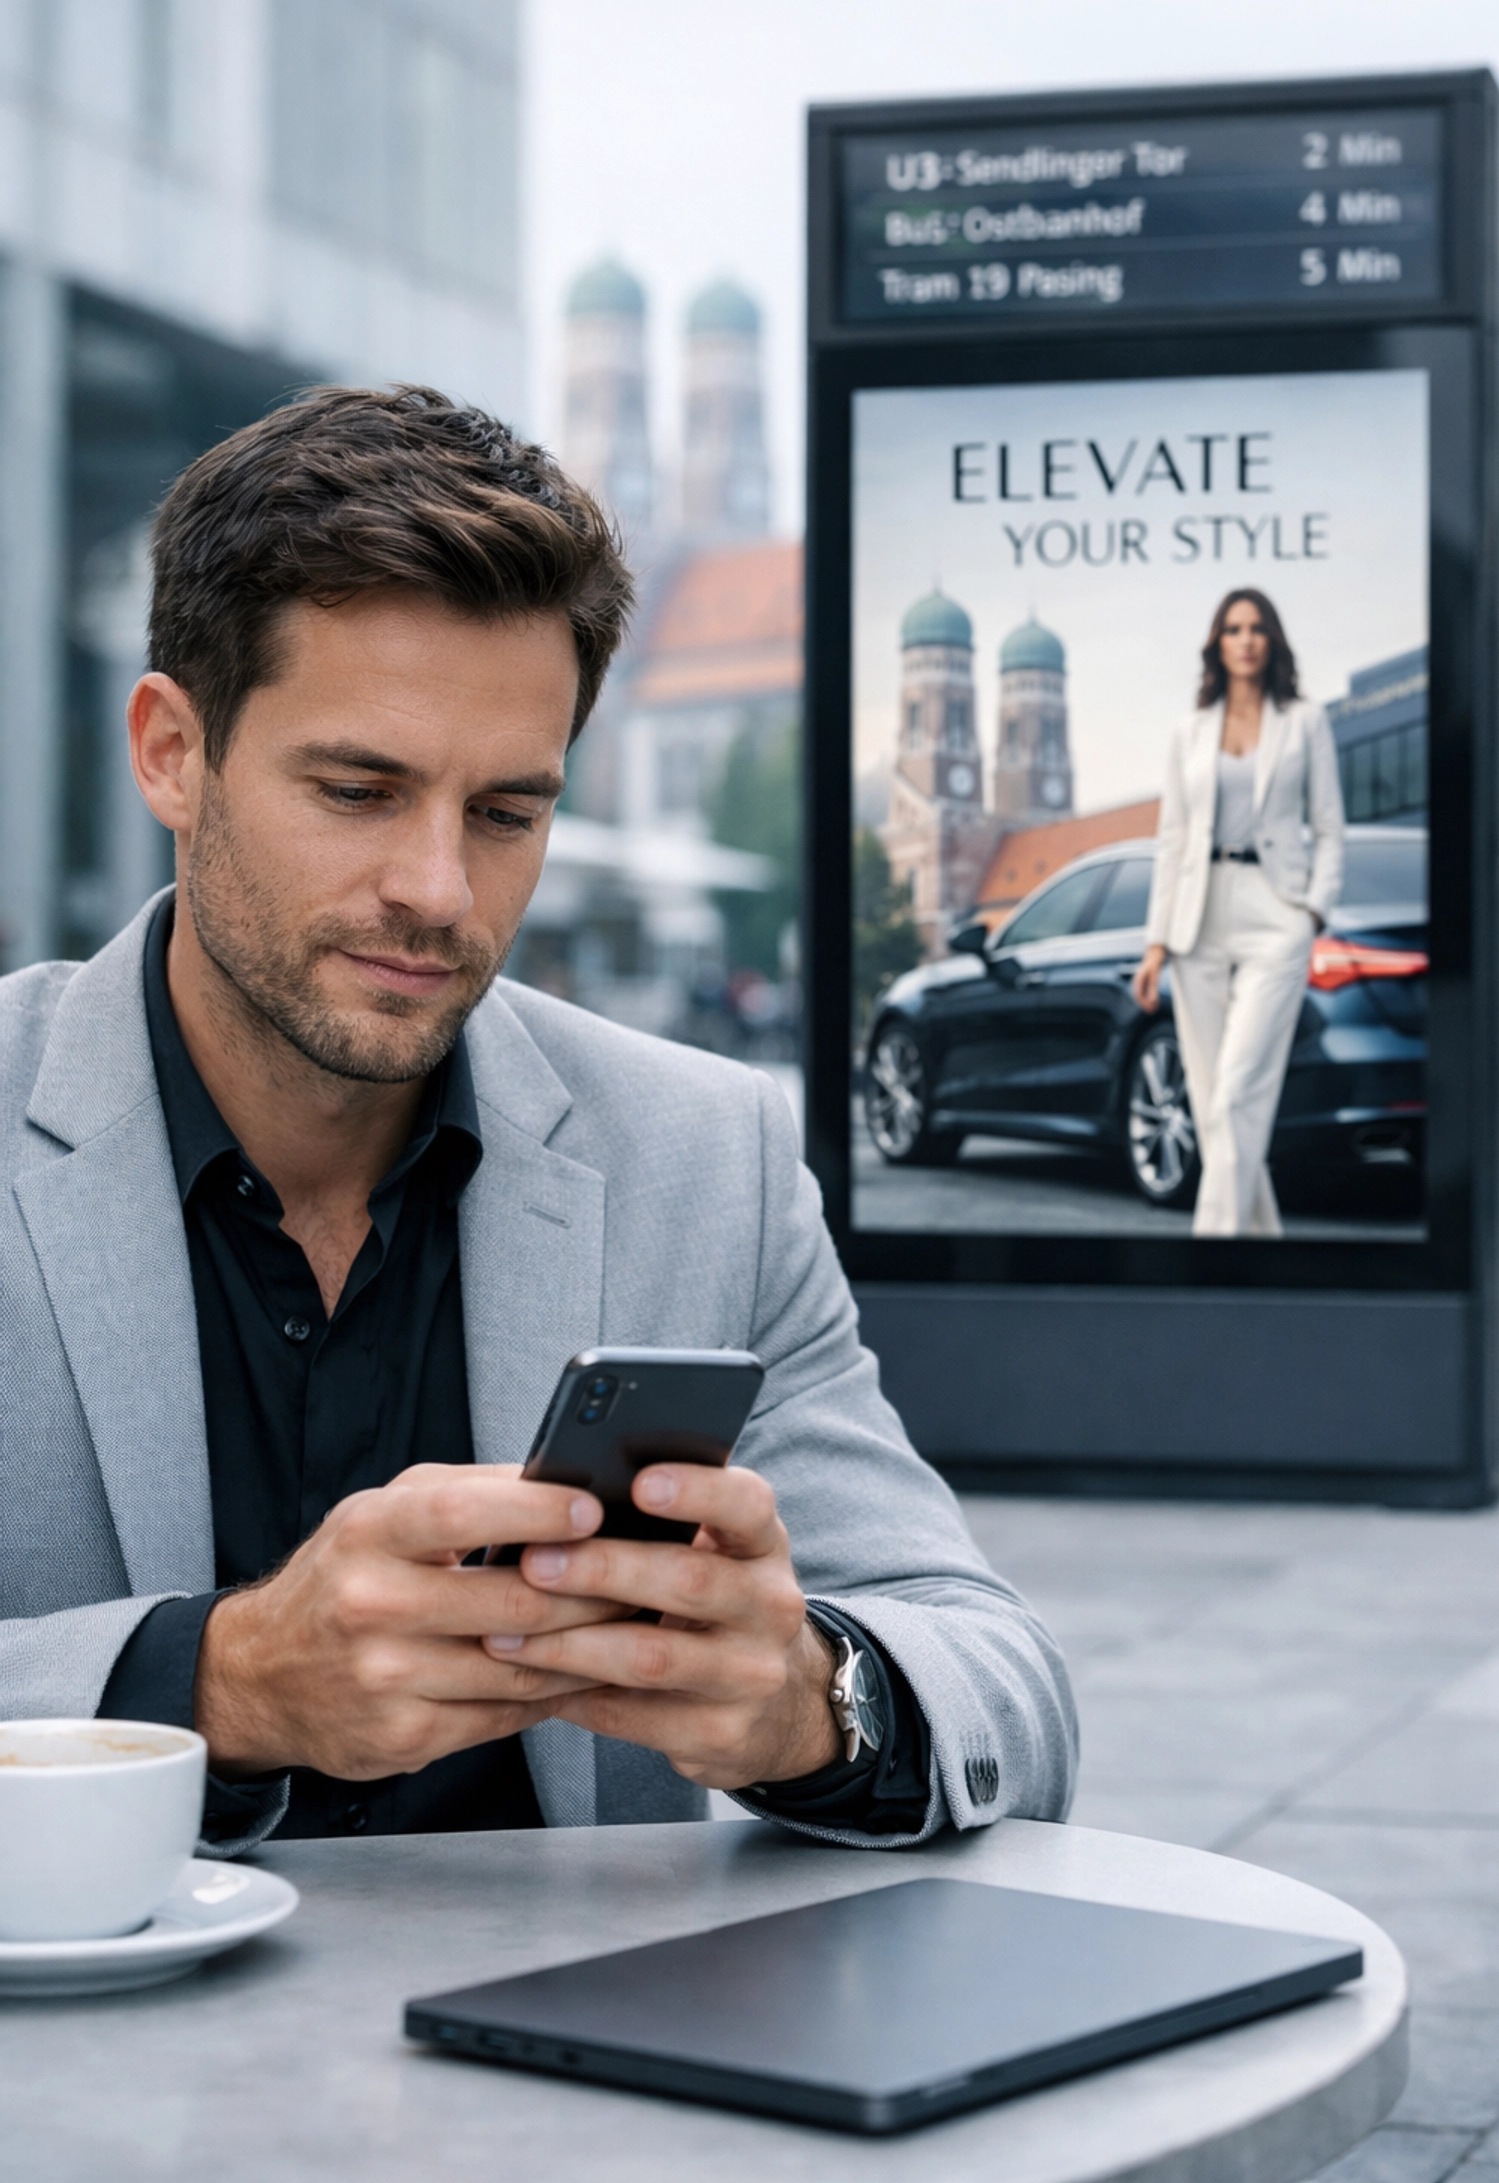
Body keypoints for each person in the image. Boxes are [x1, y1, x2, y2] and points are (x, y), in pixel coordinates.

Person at [0, 386, 1075, 1855]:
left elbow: (1000, 1679)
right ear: (172, 752)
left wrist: (813, 1703)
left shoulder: (707, 1157)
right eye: (360, 790)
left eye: (506, 813)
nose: (439, 890)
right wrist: (221, 1684)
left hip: (577, 2060)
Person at [1131, 589, 1344, 1238]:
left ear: (1271, 640)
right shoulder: (1188, 730)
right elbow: (1171, 840)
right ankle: (1263, 1248)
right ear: (1217, 643)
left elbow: (1330, 827)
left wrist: (1311, 912)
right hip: (1198, 917)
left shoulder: (1304, 720)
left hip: (1274, 911)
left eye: (1255, 629)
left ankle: (1211, 1253)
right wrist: (1155, 944)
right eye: (1233, 629)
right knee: (1216, 1106)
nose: (1245, 639)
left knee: (1235, 1091)